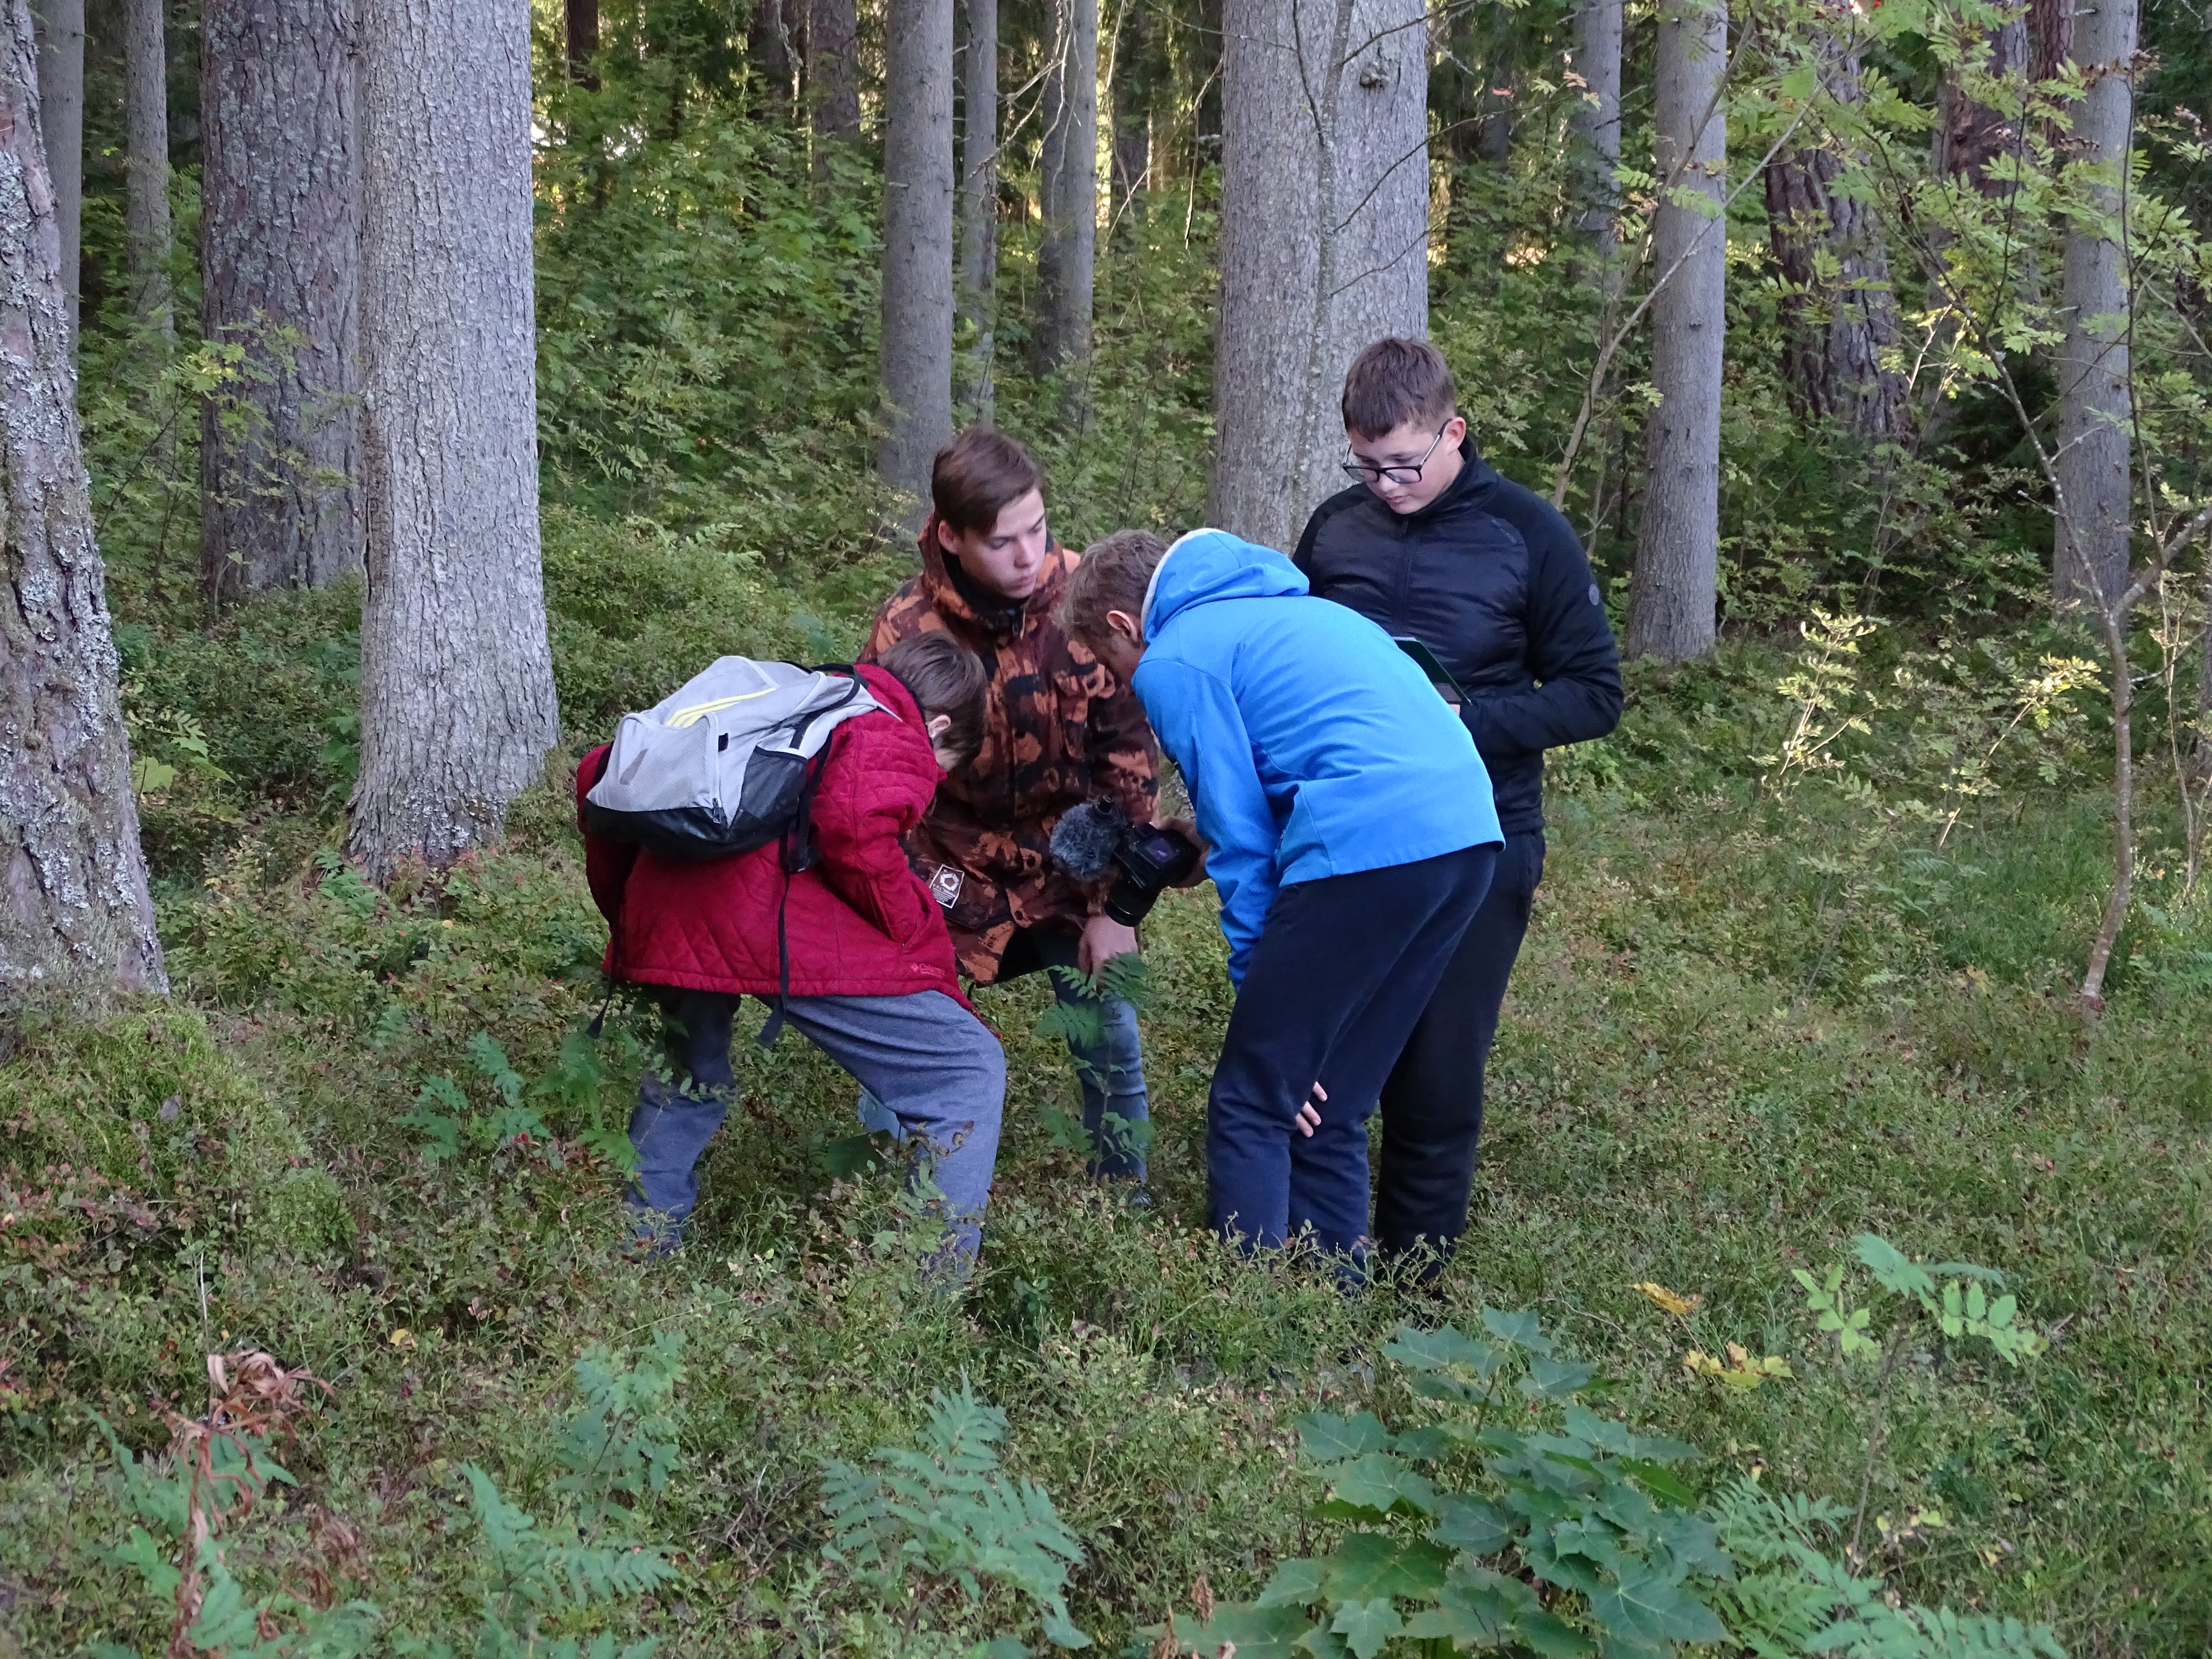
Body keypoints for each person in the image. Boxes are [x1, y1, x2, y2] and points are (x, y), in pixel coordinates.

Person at [1057, 527, 1503, 1259]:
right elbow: (1305, 759)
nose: (1129, 679)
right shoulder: (1303, 612)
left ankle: (1249, 1340)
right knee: (1329, 1105)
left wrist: (1258, 989)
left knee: (1253, 1102)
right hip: (1466, 839)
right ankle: (1328, 1338)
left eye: (1115, 664)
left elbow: (1243, 845)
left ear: (1122, 625)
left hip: (1365, 846)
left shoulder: (1176, 658)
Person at [1292, 337, 1623, 1269]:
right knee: (1325, 1067)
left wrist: (1463, 722)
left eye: (1404, 464)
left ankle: (1415, 1299)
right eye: (1367, 466)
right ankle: (1313, 1277)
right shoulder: (1335, 528)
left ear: (1454, 433)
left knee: (1434, 1084)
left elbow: (1595, 694)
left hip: (1481, 838)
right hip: (1350, 837)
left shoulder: (1527, 533)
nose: (1386, 485)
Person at [577, 632, 1006, 1261]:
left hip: (668, 904)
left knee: (688, 1073)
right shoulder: (889, 726)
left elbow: (599, 773)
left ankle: (639, 1244)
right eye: (943, 767)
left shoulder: (800, 697)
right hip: (746, 919)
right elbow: (854, 831)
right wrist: (919, 932)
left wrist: (631, 920)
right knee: (965, 1070)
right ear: (938, 726)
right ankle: (929, 1293)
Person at [861, 429, 1161, 1184]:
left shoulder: (1089, 607)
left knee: (1112, 1041)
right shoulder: (907, 627)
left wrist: (1111, 908)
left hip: (1070, 866)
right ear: (952, 537)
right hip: (949, 864)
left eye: (1038, 529)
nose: (1030, 557)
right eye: (1003, 542)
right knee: (902, 1048)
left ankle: (1121, 1213)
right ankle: (884, 1206)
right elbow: (878, 782)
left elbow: (1127, 769)